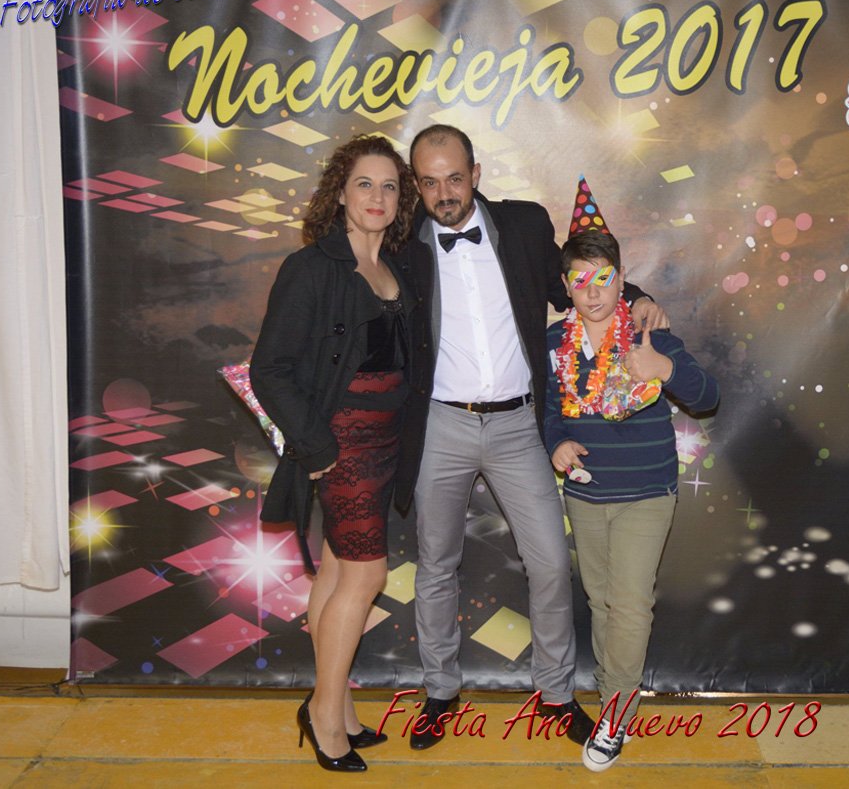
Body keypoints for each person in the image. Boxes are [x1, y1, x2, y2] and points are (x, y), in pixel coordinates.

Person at [393, 125, 668, 750]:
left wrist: (638, 297)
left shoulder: (522, 224)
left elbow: (573, 283)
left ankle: (556, 694)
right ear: (416, 185)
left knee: (548, 563)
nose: (444, 193)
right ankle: (440, 690)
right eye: (430, 182)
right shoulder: (401, 246)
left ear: (476, 173)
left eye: (455, 178)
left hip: (519, 424)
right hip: (440, 423)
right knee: (435, 565)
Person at [252, 135, 419, 773]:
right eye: (364, 184)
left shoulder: (394, 266)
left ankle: (336, 706)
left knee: (336, 573)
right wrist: (317, 446)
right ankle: (325, 717)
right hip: (341, 445)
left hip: (385, 444)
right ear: (340, 194)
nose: (378, 197)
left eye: (389, 186)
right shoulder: (312, 267)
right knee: (366, 576)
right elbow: (270, 370)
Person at [543, 184, 719, 772]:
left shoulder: (649, 335)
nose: (593, 292)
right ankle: (611, 692)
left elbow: (707, 395)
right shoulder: (553, 344)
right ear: (565, 285)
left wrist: (663, 367)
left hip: (647, 491)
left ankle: (616, 714)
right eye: (580, 281)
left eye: (604, 278)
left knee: (632, 604)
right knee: (602, 600)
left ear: (623, 281)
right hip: (587, 492)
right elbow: (547, 411)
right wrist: (556, 442)